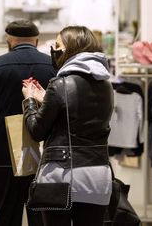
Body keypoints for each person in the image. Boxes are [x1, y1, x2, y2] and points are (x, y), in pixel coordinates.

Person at [21, 26, 114, 226]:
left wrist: (29, 100)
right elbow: (78, 114)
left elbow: (37, 130)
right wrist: (47, 98)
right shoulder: (106, 85)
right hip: (98, 175)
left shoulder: (60, 83)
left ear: (71, 49)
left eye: (58, 45)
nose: (54, 50)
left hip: (62, 175)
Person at [0, 20, 56, 226]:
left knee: (3, 219)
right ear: (36, 40)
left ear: (9, 40)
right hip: (44, 156)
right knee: (44, 219)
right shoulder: (54, 67)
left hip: (4, 156)